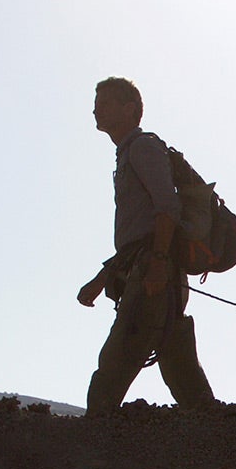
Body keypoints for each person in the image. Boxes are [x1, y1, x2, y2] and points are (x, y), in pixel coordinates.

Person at [77, 77, 217, 414]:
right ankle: (220, 441)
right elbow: (136, 235)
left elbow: (167, 206)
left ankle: (96, 452)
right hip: (154, 273)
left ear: (129, 110)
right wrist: (101, 281)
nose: (96, 109)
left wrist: (156, 261)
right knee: (181, 370)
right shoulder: (127, 154)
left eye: (105, 103)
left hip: (155, 275)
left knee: (112, 371)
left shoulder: (142, 148)